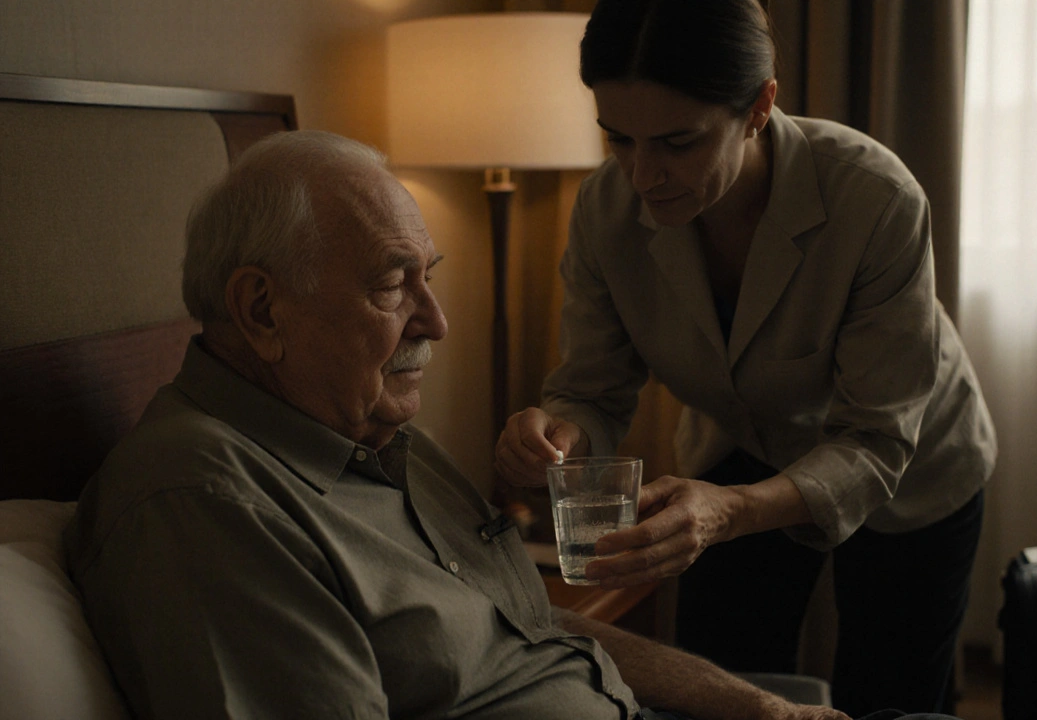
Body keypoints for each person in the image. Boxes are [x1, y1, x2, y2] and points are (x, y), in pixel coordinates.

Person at [64, 129, 884, 720]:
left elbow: (532, 630)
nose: (438, 322)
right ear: (260, 309)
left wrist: (759, 710)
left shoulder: (381, 443)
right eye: (394, 284)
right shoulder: (205, 507)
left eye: (431, 277)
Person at [493, 0, 998, 716]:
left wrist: (726, 513)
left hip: (909, 465)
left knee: (890, 692)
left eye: (677, 141)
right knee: (720, 688)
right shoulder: (605, 212)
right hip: (741, 446)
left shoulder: (875, 198)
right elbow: (592, 389)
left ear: (760, 107)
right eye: (619, 140)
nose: (643, 176)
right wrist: (560, 434)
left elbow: (875, 440)